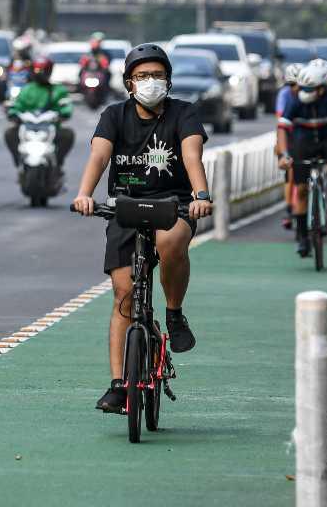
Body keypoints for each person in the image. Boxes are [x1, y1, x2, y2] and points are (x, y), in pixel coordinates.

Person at [71, 43, 212, 414]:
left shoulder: (185, 113)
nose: (151, 82)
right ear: (129, 83)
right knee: (123, 293)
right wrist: (85, 194)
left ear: (168, 79)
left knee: (171, 242)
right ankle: (119, 384)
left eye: (157, 75)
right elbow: (99, 155)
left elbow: (191, 155)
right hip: (125, 207)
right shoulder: (114, 115)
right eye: (142, 76)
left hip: (175, 206)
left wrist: (200, 194)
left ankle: (174, 312)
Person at [277, 61, 327, 257]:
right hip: (303, 142)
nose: (304, 92)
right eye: (303, 88)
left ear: (320, 89)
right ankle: (302, 238)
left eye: (310, 89)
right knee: (300, 190)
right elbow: (282, 128)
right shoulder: (294, 100)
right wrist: (284, 155)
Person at [4, 56, 75, 177]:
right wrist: (13, 113)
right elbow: (17, 105)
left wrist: (64, 113)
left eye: (43, 70)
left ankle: (57, 162)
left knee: (68, 135)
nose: (40, 74)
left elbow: (66, 104)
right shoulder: (26, 90)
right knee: (9, 133)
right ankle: (18, 160)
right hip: (28, 126)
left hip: (51, 127)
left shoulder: (58, 90)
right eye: (37, 70)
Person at [276, 63, 304, 230]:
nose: (296, 89)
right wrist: (279, 144)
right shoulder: (284, 95)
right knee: (291, 172)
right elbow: (280, 122)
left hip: (308, 135)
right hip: (291, 135)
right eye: (292, 85)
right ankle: (288, 209)